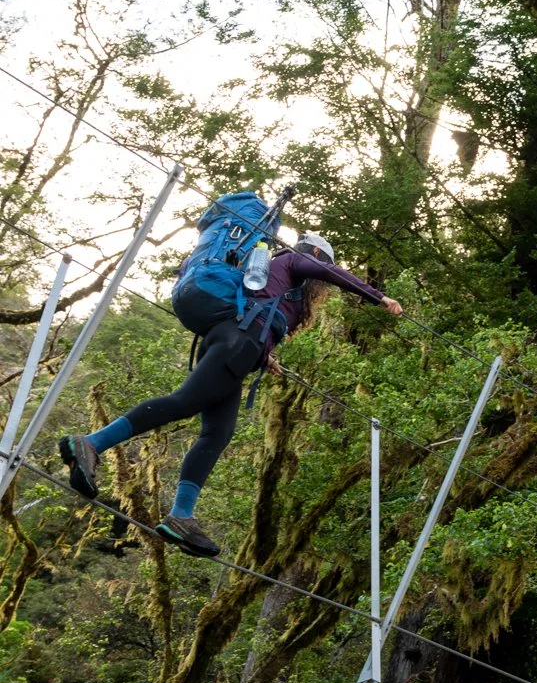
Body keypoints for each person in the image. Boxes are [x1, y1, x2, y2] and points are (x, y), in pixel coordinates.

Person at [58, 231, 402, 558]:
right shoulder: (295, 259)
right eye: (321, 264)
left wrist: (265, 356)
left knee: (217, 433)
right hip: (238, 341)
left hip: (239, 344)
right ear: (314, 255)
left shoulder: (280, 280)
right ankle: (91, 444)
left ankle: (181, 515)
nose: (321, 279)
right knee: (183, 403)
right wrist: (377, 296)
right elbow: (316, 274)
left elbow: (261, 308)